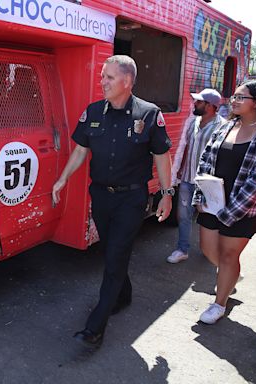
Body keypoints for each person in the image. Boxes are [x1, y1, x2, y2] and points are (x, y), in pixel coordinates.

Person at [52, 55, 173, 349]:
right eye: (102, 76)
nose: (102, 81)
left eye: (108, 77)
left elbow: (161, 155)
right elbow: (81, 150)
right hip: (101, 196)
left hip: (131, 198)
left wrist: (167, 194)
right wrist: (62, 178)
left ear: (127, 82)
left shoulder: (148, 114)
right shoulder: (94, 111)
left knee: (116, 255)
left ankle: (96, 326)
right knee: (111, 251)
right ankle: (124, 294)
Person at [193, 80, 256, 324]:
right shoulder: (226, 126)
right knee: (208, 249)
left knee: (227, 256)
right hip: (213, 202)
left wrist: (228, 212)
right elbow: (206, 159)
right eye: (233, 96)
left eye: (241, 97)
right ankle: (232, 275)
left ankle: (219, 303)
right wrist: (200, 196)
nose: (233, 101)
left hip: (244, 208)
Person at [167, 89, 226, 263]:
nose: (195, 104)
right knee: (183, 216)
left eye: (199, 102)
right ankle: (182, 249)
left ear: (210, 106)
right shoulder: (192, 121)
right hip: (187, 177)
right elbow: (184, 147)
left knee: (210, 218)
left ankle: (212, 250)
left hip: (208, 183)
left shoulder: (222, 126)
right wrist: (177, 170)